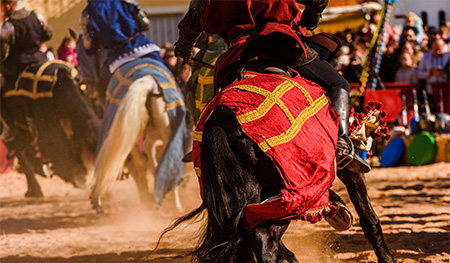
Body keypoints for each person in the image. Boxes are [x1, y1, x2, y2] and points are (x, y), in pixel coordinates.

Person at [175, 0, 370, 173]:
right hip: (279, 43)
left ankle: (204, 145)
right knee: (339, 83)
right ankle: (342, 145)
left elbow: (193, 18)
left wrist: (184, 46)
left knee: (220, 99)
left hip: (236, 56)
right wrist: (310, 18)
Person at [80, 0, 162, 81]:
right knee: (166, 73)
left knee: (103, 87)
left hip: (117, 58)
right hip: (144, 48)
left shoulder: (87, 14)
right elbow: (146, 25)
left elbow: (90, 48)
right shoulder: (126, 1)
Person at [0, 0, 53, 91]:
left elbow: (2, 55)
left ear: (8, 6)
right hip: (40, 58)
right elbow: (49, 34)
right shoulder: (37, 16)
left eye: (1, 7)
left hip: (17, 67)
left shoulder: (8, 27)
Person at [417, 38, 450, 109]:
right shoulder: (426, 57)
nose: (438, 52)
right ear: (432, 47)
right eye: (436, 50)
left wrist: (444, 73)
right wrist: (429, 73)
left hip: (446, 91)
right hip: (431, 92)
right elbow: (418, 74)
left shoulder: (448, 56)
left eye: (440, 49)